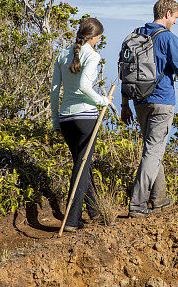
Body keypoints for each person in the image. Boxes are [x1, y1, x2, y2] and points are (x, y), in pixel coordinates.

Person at [122, 0, 178, 218]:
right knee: (153, 151)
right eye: (175, 17)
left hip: (139, 100)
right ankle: (137, 204)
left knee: (153, 150)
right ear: (168, 14)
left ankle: (158, 199)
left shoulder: (136, 36)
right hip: (162, 101)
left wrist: (125, 105)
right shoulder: (168, 38)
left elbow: (124, 71)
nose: (175, 22)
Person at [50, 17, 113, 231]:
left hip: (66, 119)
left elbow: (54, 92)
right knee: (81, 167)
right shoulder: (92, 56)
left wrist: (55, 120)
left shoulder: (62, 54)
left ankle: (95, 210)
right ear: (95, 37)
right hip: (86, 117)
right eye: (99, 36)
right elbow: (86, 86)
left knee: (82, 163)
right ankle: (72, 220)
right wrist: (102, 100)